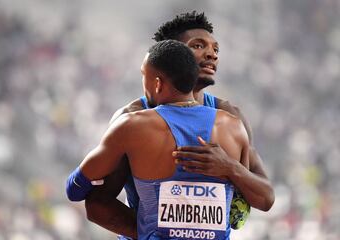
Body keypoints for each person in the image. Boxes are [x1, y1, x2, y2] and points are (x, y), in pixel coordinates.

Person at [84, 11, 274, 238]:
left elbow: (265, 198)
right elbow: (97, 204)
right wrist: (159, 233)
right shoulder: (133, 118)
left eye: (215, 49)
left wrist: (230, 168)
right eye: (198, 46)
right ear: (173, 53)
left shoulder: (230, 118)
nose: (212, 54)